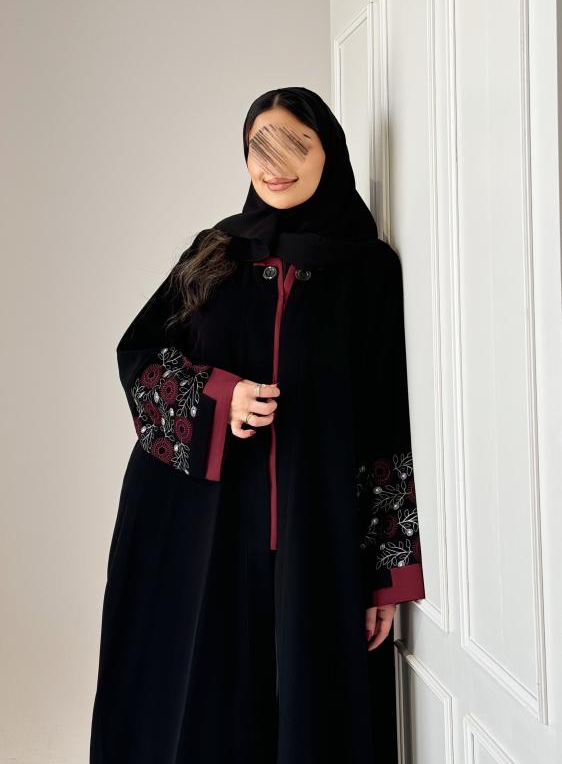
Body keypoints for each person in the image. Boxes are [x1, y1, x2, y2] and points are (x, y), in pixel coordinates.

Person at [89, 86, 425, 764]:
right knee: (201, 708)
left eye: (296, 144)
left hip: (317, 534)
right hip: (200, 527)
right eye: (259, 147)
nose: (274, 165)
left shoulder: (369, 273)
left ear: (329, 152)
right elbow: (139, 358)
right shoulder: (215, 252)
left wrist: (385, 577)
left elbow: (388, 424)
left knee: (313, 711)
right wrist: (222, 398)